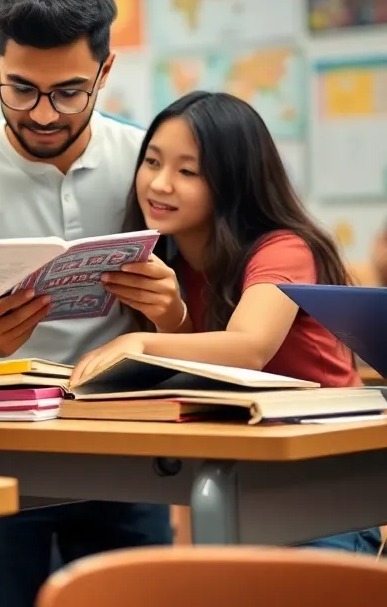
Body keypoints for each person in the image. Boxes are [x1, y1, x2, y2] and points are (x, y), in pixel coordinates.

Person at [0, 0, 170, 607]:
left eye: (70, 92)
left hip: (127, 451)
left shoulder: (149, 166)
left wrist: (173, 311)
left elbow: (204, 330)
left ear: (106, 74)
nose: (43, 113)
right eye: (20, 89)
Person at [69, 91, 382, 555]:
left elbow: (248, 346)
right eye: (152, 162)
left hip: (324, 484)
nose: (159, 184)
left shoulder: (283, 248)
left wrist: (141, 343)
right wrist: (169, 320)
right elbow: (200, 373)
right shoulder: (169, 262)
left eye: (187, 171)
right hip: (242, 481)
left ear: (233, 181)